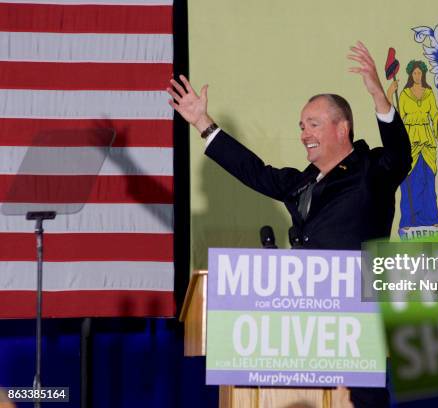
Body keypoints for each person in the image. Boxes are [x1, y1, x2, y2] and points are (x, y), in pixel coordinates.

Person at [168, 41, 410, 407]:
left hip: (355, 316)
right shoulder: (301, 182)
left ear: (342, 128)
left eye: (313, 124)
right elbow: (254, 171)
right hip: (300, 320)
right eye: (301, 126)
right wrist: (203, 123)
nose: (303, 134)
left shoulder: (371, 172)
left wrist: (378, 95)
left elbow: (400, 154)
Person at [386, 60, 438, 234]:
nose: (417, 76)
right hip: (411, 141)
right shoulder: (404, 94)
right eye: (415, 73)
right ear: (410, 74)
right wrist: (390, 93)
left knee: (428, 180)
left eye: (420, 73)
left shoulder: (428, 93)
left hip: (427, 141)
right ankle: (409, 221)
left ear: (423, 74)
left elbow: (435, 115)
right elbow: (393, 114)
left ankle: (432, 219)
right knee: (410, 182)